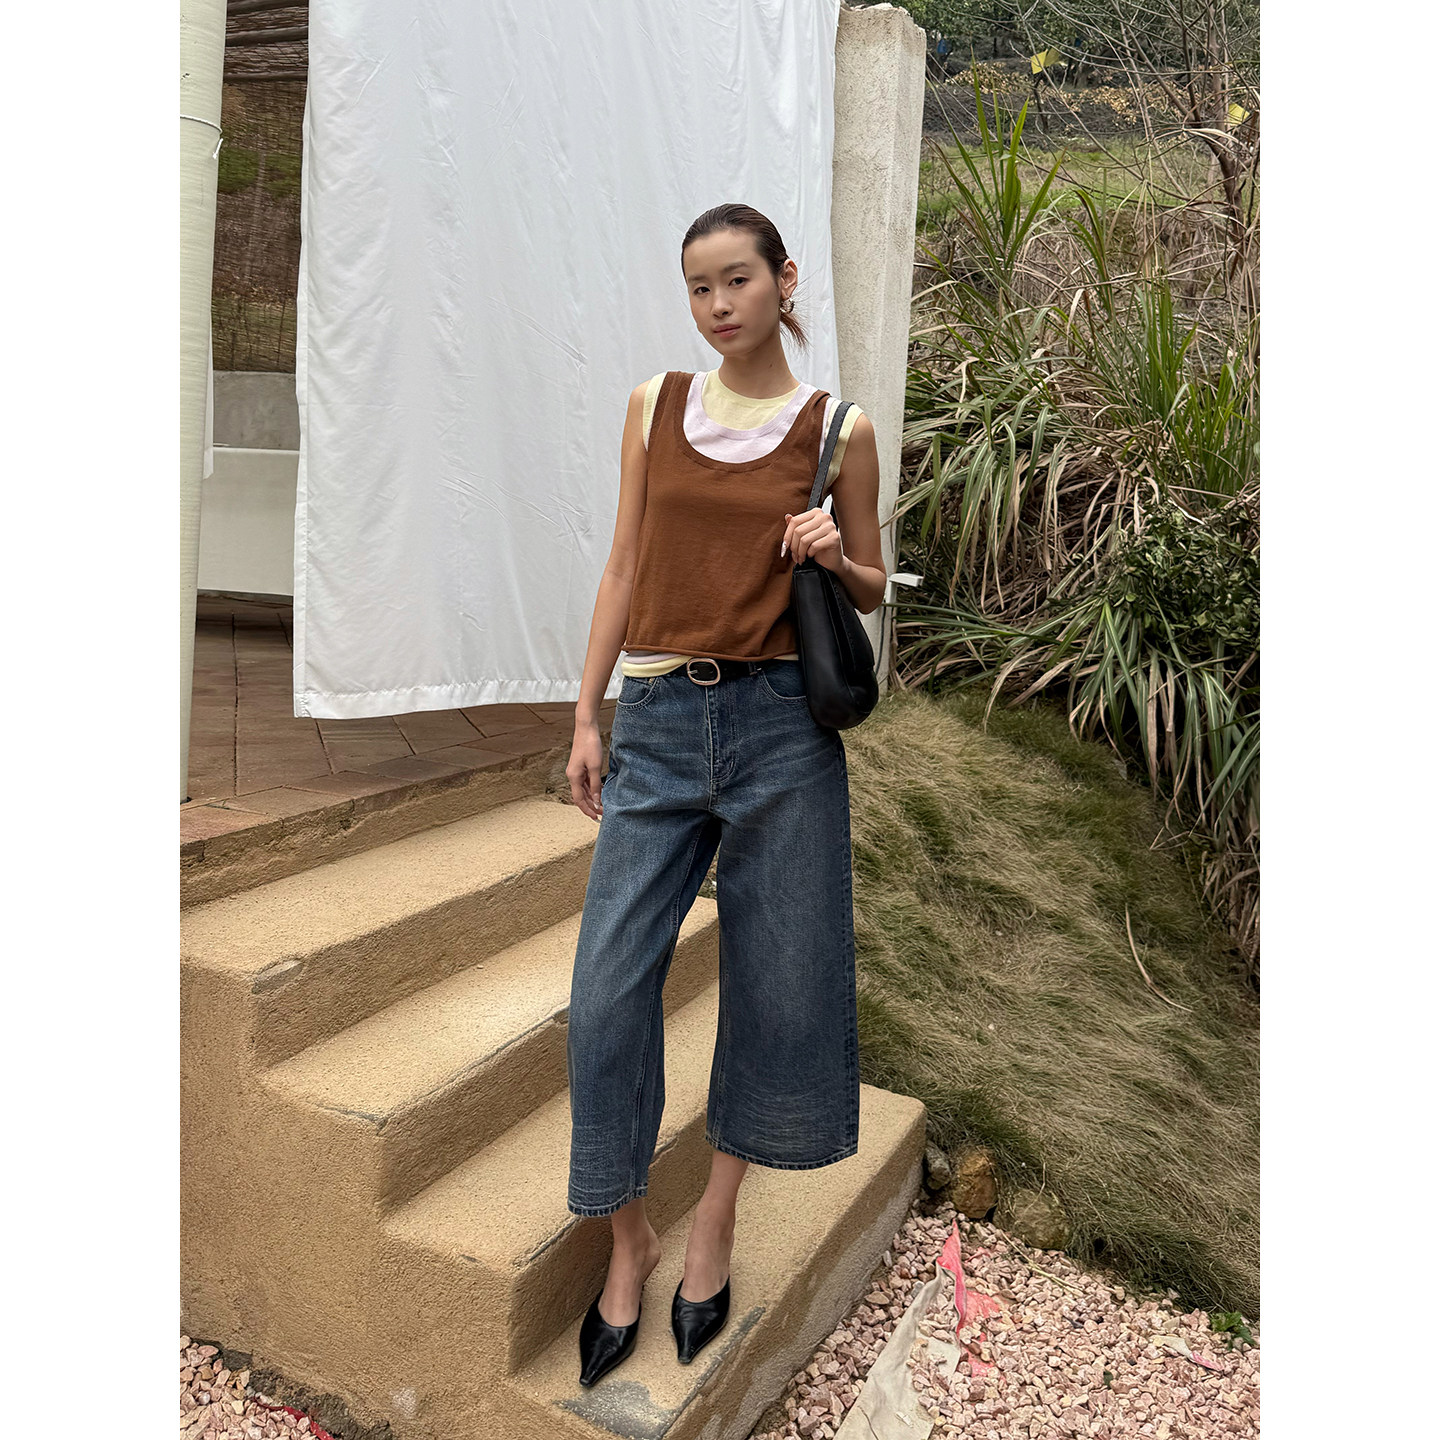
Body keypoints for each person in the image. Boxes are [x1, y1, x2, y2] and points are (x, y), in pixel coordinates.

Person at [563, 202, 887, 1389]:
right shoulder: (654, 406)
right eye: (699, 286)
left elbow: (870, 586)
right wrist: (587, 714)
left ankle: (712, 1223)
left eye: (738, 279)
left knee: (777, 982)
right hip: (657, 724)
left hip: (781, 730)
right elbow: (624, 565)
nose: (717, 305)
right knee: (604, 997)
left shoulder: (838, 429)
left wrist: (832, 552)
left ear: (784, 279)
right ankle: (626, 1237)